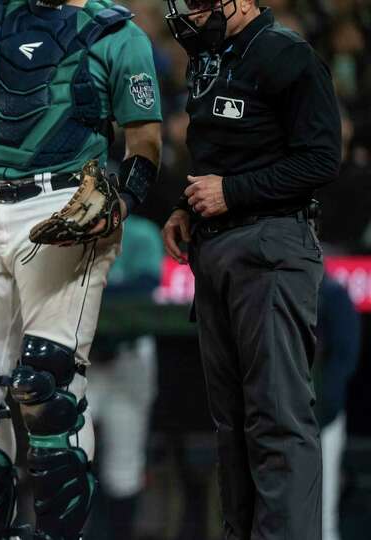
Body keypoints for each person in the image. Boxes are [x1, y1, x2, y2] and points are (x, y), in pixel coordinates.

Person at [0, 0, 163, 537]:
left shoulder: (116, 31)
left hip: (66, 202)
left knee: (48, 384)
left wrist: (122, 205)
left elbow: (145, 140)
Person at [161, 0, 342, 539]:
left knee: (277, 420)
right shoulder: (212, 58)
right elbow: (219, 154)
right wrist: (185, 207)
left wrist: (232, 192)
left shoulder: (288, 56)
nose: (188, 12)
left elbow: (321, 159)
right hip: (217, 250)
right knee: (232, 426)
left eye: (199, 2)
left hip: (271, 246)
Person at [85, 215, 163, 540]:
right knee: (67, 458)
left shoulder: (141, 233)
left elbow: (145, 285)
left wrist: (95, 288)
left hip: (128, 357)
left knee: (124, 468)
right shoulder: (70, 228)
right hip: (82, 360)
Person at [315, 275, 361, 540]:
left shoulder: (331, 295)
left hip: (323, 416)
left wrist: (324, 408)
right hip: (280, 418)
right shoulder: (274, 291)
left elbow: (344, 359)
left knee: (323, 514)